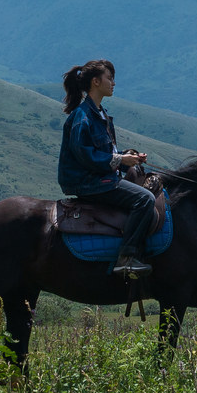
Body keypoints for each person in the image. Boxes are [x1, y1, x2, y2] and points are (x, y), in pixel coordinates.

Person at [58, 59, 157, 278]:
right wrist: (120, 160)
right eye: (109, 78)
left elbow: (104, 151)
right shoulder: (82, 116)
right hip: (87, 181)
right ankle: (127, 258)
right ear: (95, 81)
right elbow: (85, 155)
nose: (113, 83)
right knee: (145, 199)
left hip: (98, 177)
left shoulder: (100, 114)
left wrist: (128, 156)